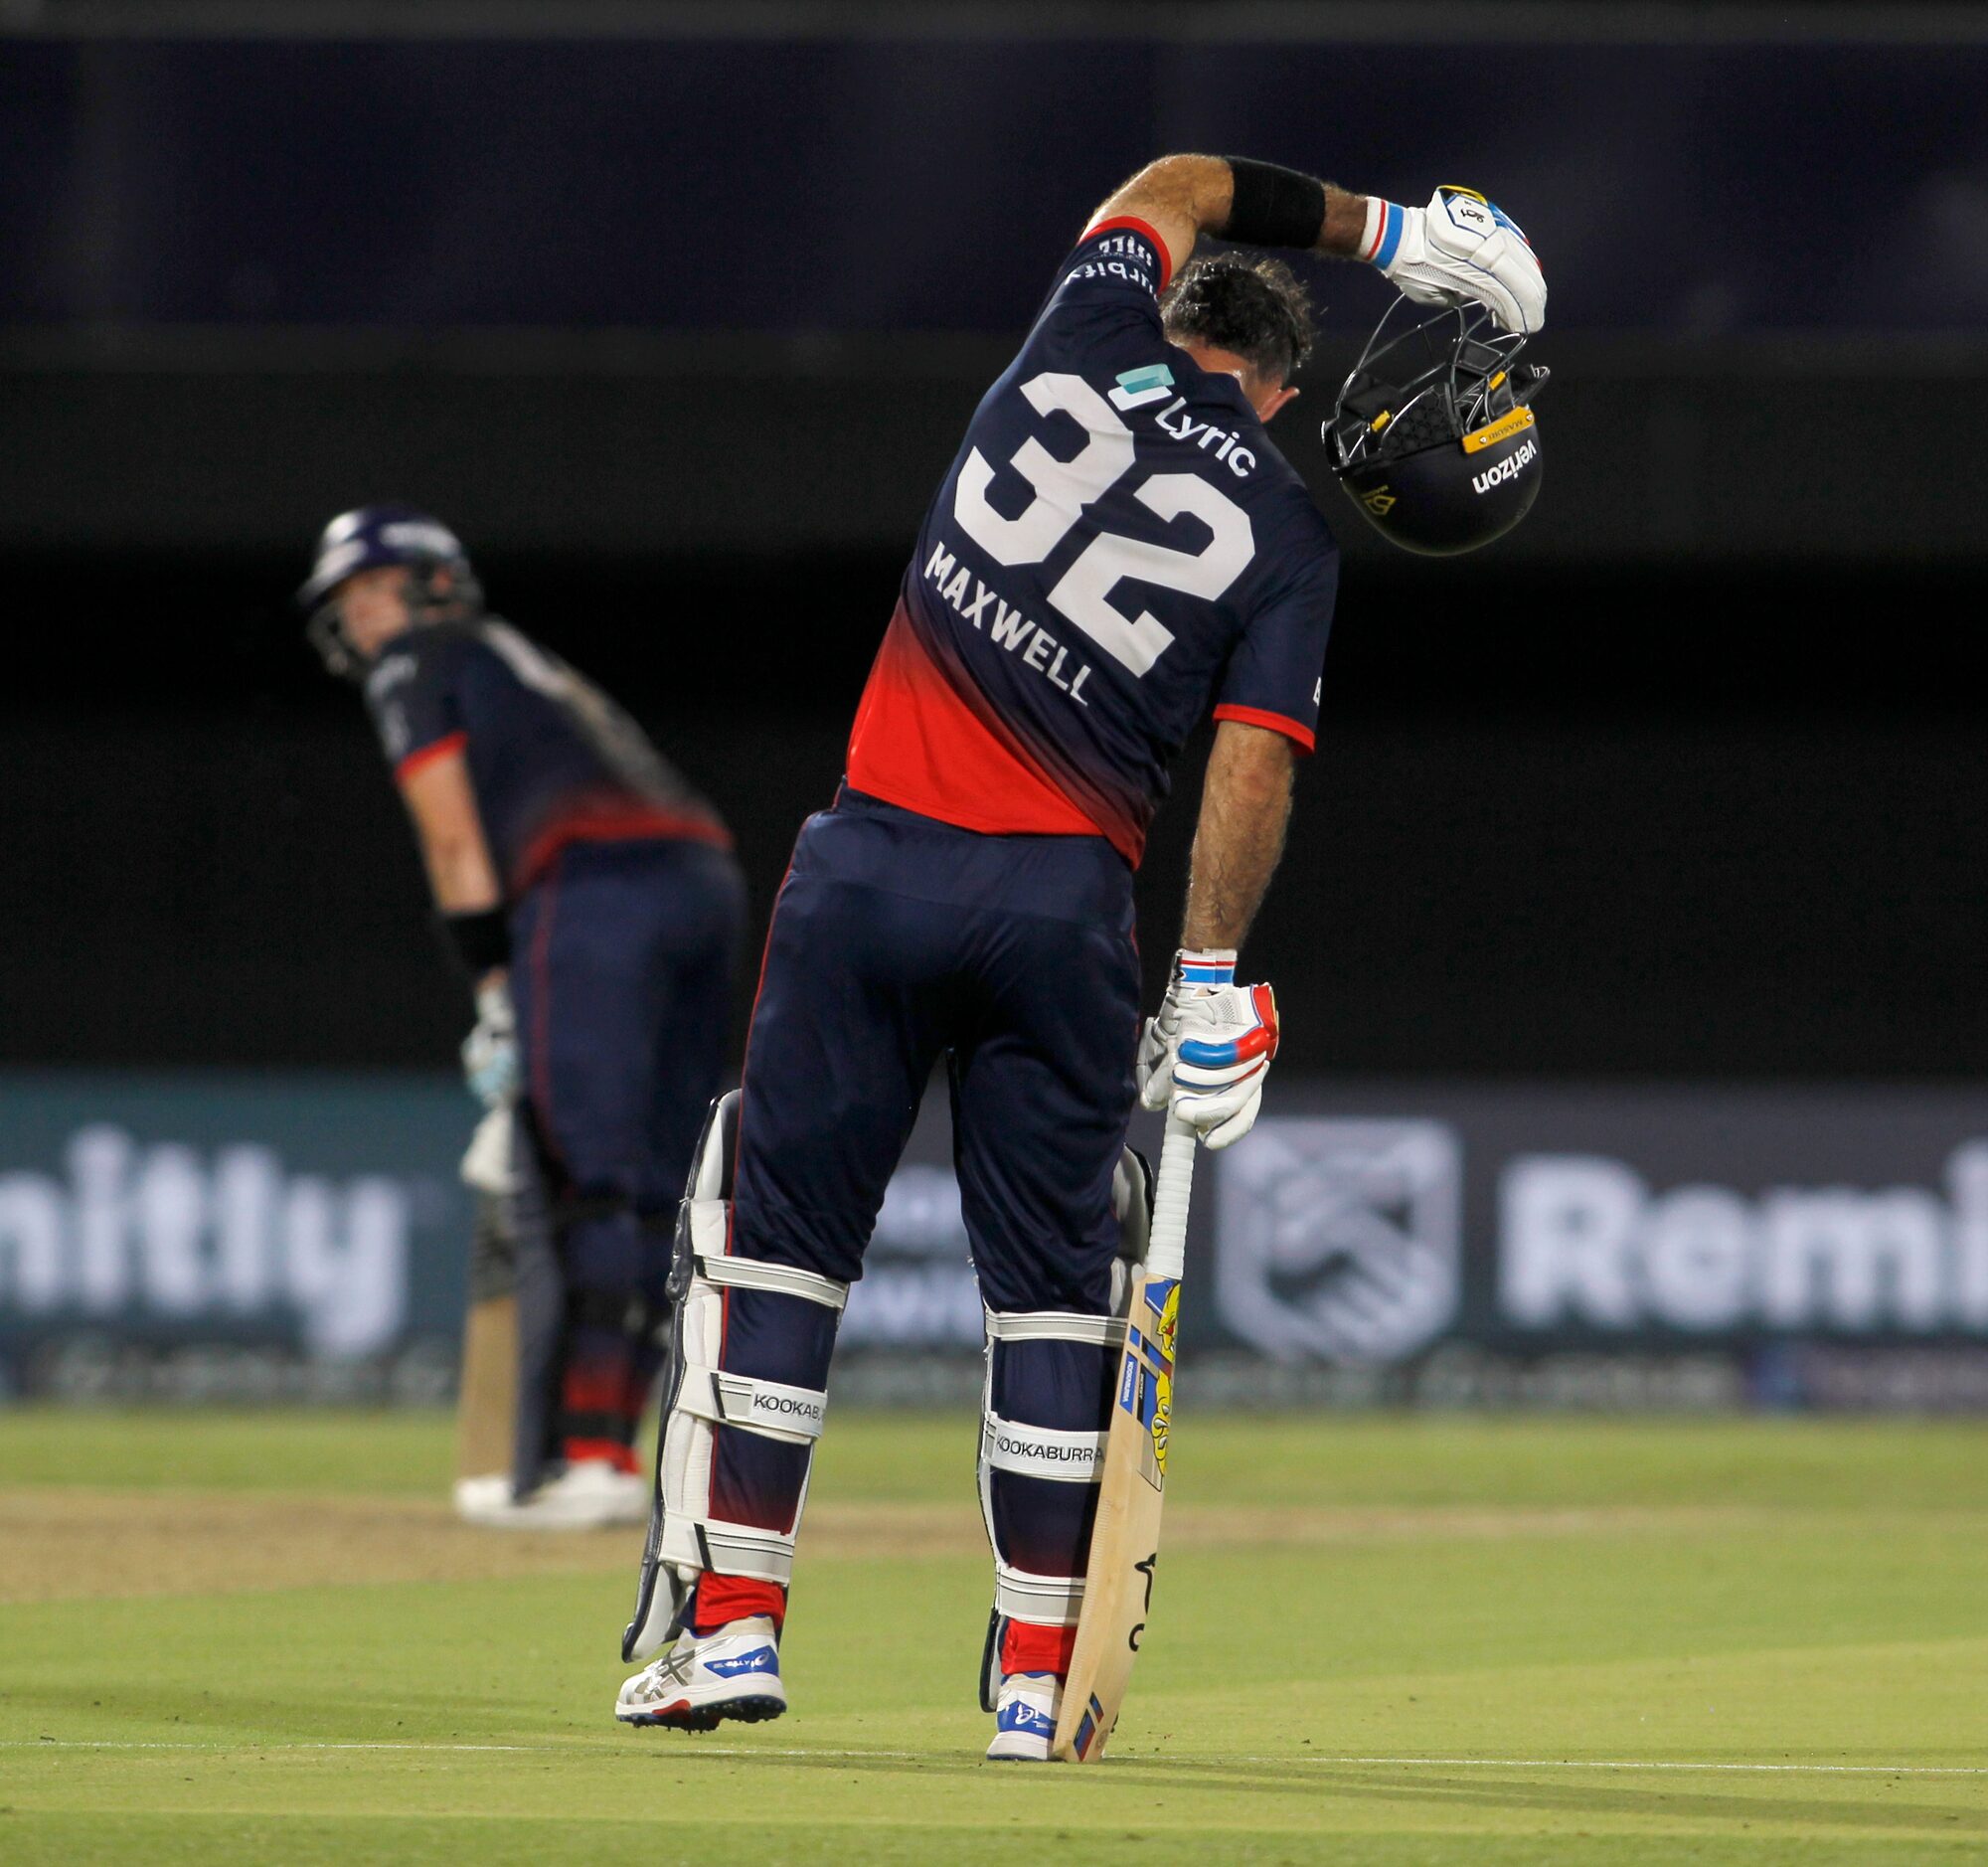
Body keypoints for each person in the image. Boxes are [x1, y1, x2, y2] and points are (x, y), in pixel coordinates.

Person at [614, 155, 1544, 1753]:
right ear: (1274, 390)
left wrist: (1395, 234)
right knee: (1052, 1296)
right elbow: (1254, 768)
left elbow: (1178, 176)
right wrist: (1205, 979)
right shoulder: (1290, 537)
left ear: (1172, 308)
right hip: (1061, 909)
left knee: (771, 1252)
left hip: (873, 865)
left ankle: (732, 1631)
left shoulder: (1075, 330)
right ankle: (1040, 1679)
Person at [299, 508, 746, 1528]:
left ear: (427, 586)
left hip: (593, 891)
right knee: (661, 1181)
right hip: (704, 881)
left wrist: (493, 992)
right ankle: (633, 1456)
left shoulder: (417, 662)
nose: (361, 619)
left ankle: (586, 1458)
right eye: (348, 603)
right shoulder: (517, 656)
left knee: (586, 1175)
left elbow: (454, 845)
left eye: (371, 591)